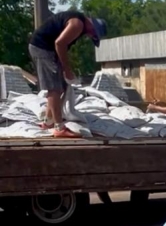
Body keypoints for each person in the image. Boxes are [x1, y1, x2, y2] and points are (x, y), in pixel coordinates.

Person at [29, 10, 107, 138]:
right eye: (92, 33)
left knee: (61, 86)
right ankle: (59, 128)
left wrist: (63, 67)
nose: (89, 35)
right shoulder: (78, 24)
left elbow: (60, 45)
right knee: (54, 88)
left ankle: (49, 121)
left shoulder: (78, 23)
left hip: (48, 50)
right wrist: (67, 69)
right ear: (92, 26)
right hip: (43, 49)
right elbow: (59, 43)